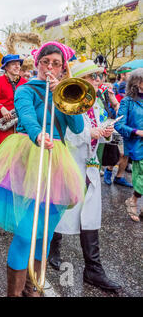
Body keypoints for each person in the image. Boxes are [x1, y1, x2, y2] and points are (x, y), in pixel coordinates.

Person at [0, 41, 85, 297]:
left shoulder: (66, 90)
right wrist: (38, 135)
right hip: (28, 157)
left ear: (63, 68)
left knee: (45, 234)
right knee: (26, 233)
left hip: (57, 162)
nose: (49, 68)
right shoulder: (26, 89)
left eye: (56, 63)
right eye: (45, 62)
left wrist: (63, 95)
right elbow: (27, 116)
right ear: (38, 63)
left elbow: (77, 128)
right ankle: (15, 293)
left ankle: (34, 290)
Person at [49, 59, 121, 292]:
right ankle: (53, 247)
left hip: (90, 164)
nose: (97, 81)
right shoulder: (65, 102)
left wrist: (106, 132)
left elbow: (98, 132)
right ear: (80, 79)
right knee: (62, 209)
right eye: (92, 77)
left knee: (90, 215)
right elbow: (66, 136)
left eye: (98, 77)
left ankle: (93, 269)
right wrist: (91, 131)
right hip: (69, 163)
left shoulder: (96, 105)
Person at [115, 68, 143, 222]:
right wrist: (137, 132)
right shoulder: (127, 101)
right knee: (140, 176)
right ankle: (132, 200)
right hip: (137, 145)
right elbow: (119, 126)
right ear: (137, 82)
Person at [0, 54, 28, 157]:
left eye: (18, 64)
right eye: (13, 64)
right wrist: (1, 108)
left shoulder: (25, 83)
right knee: (2, 159)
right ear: (6, 67)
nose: (17, 67)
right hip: (2, 129)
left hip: (21, 128)